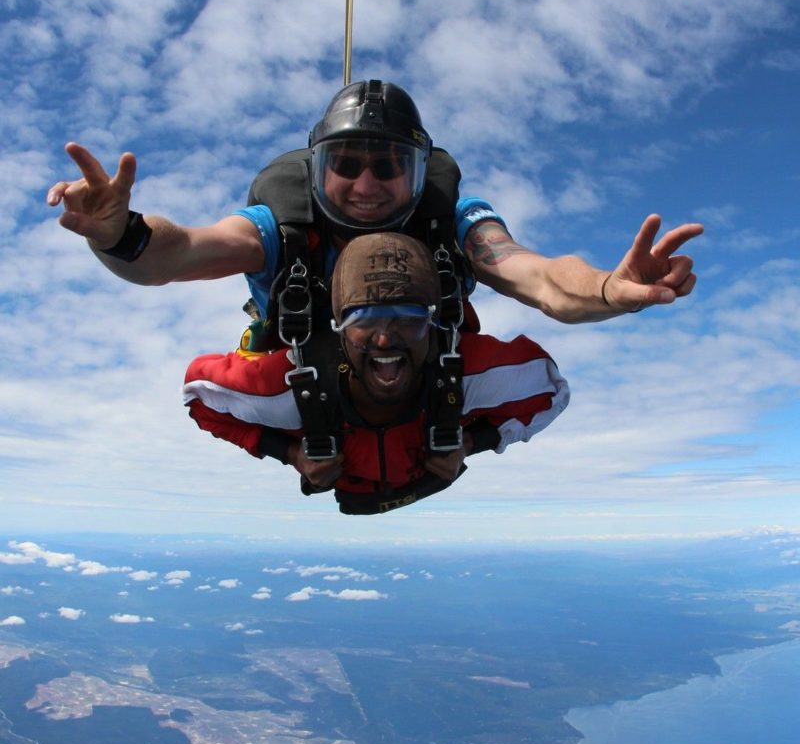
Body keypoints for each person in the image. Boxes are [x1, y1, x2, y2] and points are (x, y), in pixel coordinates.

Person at [47, 78, 701, 483]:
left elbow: (536, 276)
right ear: (317, 169)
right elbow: (182, 251)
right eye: (347, 163)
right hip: (309, 383)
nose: (366, 184)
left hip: (426, 382)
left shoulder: (453, 225)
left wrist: (609, 293)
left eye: (389, 167)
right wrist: (120, 234)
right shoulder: (280, 229)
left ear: (419, 174)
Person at [182, 232, 570, 514]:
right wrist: (290, 454)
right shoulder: (293, 387)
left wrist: (470, 443)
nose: (385, 339)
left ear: (433, 326)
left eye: (409, 318)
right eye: (362, 319)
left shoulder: (463, 373)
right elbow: (199, 395)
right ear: (337, 328)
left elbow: (551, 391)